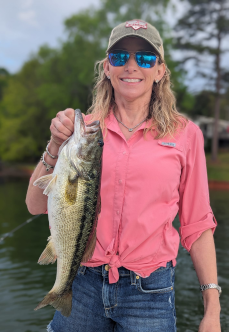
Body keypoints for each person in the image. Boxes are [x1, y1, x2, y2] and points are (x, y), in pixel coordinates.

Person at [26, 19, 221, 332]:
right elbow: (36, 205)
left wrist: (212, 310)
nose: (131, 66)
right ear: (107, 67)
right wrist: (54, 144)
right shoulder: (85, 132)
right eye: (120, 57)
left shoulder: (187, 135)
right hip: (83, 282)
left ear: (160, 71)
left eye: (144, 58)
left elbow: (197, 225)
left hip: (151, 292)